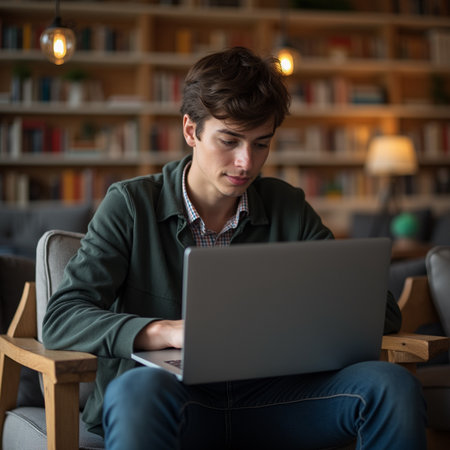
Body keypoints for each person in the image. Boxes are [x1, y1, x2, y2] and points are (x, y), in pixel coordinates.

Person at [43, 47, 426, 449]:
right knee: (136, 391)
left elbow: (380, 313)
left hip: (276, 400)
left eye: (261, 144)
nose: (246, 162)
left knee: (390, 385)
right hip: (175, 401)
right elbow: (62, 318)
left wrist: (298, 310)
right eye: (229, 140)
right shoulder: (130, 205)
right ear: (191, 131)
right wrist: (160, 331)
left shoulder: (287, 206)